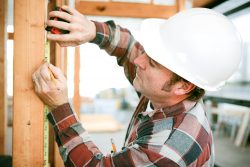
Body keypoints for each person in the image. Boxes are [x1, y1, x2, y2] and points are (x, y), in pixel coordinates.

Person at [32, 6, 242, 167]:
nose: (138, 61)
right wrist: (92, 30)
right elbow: (129, 48)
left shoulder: (168, 148)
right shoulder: (168, 90)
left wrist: (59, 106)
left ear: (183, 86)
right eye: (148, 53)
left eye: (152, 62)